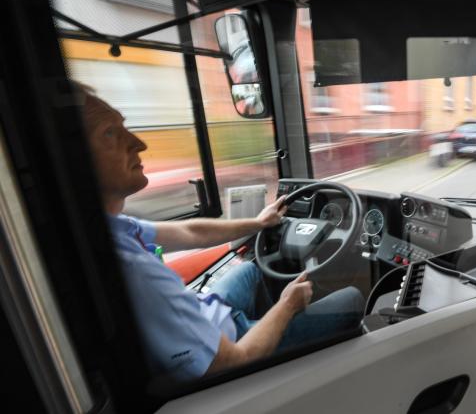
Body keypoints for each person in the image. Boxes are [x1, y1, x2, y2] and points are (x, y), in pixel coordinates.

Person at [76, 83, 364, 384]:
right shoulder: (136, 273)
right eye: (110, 133)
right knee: (353, 298)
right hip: (233, 348)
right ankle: (274, 360)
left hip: (207, 317)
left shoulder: (110, 228)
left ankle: (271, 333)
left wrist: (258, 223)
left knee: (251, 270)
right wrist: (288, 306)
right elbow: (233, 362)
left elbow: (189, 231)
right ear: (73, 163)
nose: (139, 143)